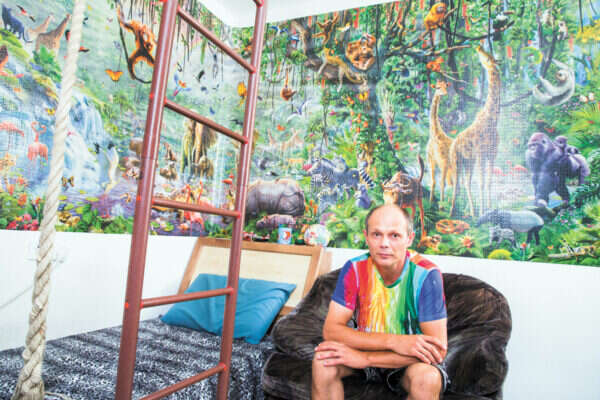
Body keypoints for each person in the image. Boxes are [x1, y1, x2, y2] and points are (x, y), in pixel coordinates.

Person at [312, 203, 448, 400]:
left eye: (394, 235)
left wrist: (366, 358)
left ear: (409, 239)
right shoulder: (354, 268)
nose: (384, 243)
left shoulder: (426, 275)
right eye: (377, 234)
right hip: (367, 349)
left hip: (407, 361)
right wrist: (394, 341)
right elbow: (331, 330)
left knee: (427, 378)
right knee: (323, 361)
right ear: (366, 237)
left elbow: (437, 349)